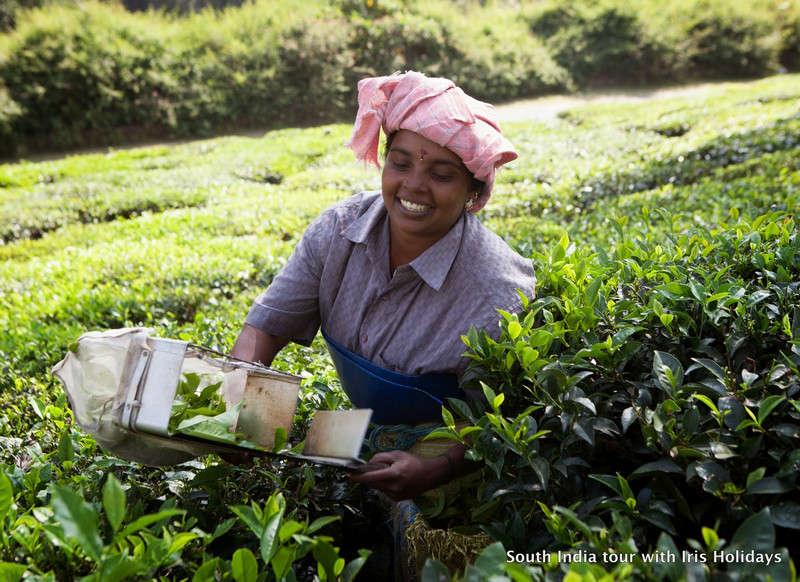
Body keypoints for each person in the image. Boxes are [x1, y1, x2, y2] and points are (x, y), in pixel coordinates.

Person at [230, 70, 536, 575]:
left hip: (451, 449)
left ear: (472, 192)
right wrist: (245, 400)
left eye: (441, 173)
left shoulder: (496, 293)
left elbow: (505, 425)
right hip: (368, 426)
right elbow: (266, 326)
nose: (414, 185)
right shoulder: (337, 232)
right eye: (400, 163)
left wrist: (437, 467)